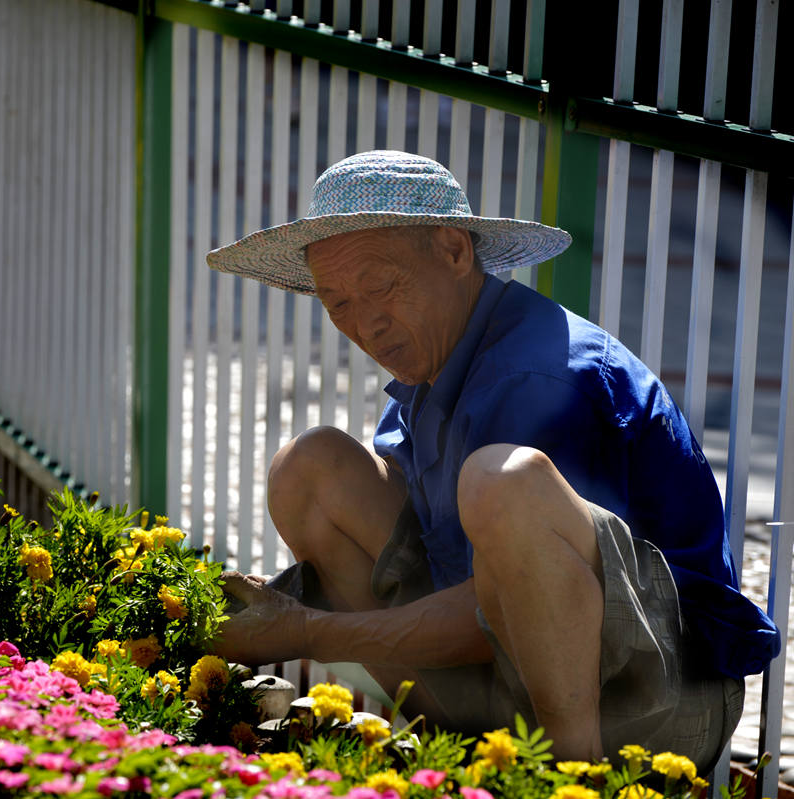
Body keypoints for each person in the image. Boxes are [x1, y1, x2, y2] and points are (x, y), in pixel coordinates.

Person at [204, 150, 778, 768]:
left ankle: (570, 777)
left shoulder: (539, 378)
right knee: (311, 470)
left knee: (502, 484)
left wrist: (305, 630)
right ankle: (465, 755)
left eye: (380, 286)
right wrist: (260, 606)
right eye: (337, 302)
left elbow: (494, 605)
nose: (366, 324)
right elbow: (432, 556)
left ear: (455, 251)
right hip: (512, 673)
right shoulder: (435, 363)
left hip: (658, 699)